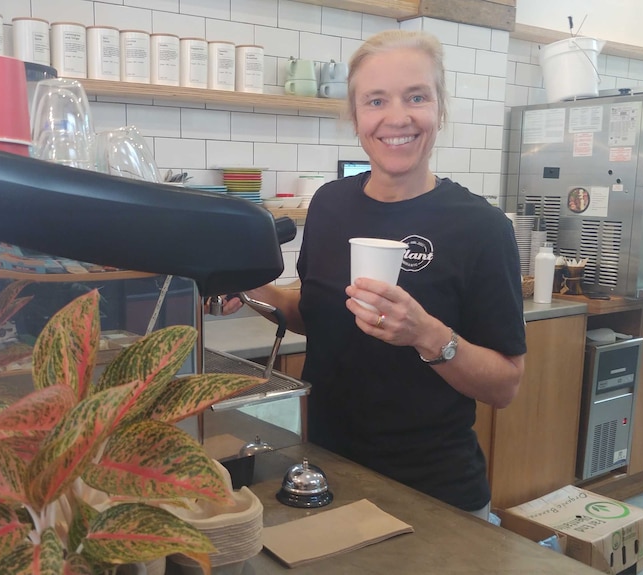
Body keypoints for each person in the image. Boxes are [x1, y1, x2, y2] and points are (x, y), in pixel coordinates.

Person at [220, 30, 526, 519]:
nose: (397, 117)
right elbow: (314, 312)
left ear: (439, 110)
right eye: (376, 100)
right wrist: (251, 286)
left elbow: (505, 385)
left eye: (417, 97)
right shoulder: (329, 204)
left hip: (433, 493)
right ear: (356, 116)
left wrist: (426, 335)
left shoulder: (481, 227)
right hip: (322, 471)